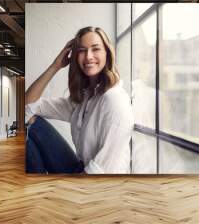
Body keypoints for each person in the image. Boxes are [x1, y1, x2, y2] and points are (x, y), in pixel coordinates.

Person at [25, 26, 134, 174]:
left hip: (101, 186)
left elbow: (102, 169)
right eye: (82, 50)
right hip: (81, 170)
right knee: (30, 123)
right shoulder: (85, 98)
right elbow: (28, 105)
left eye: (95, 49)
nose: (88, 56)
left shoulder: (114, 99)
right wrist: (55, 66)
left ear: (107, 54)